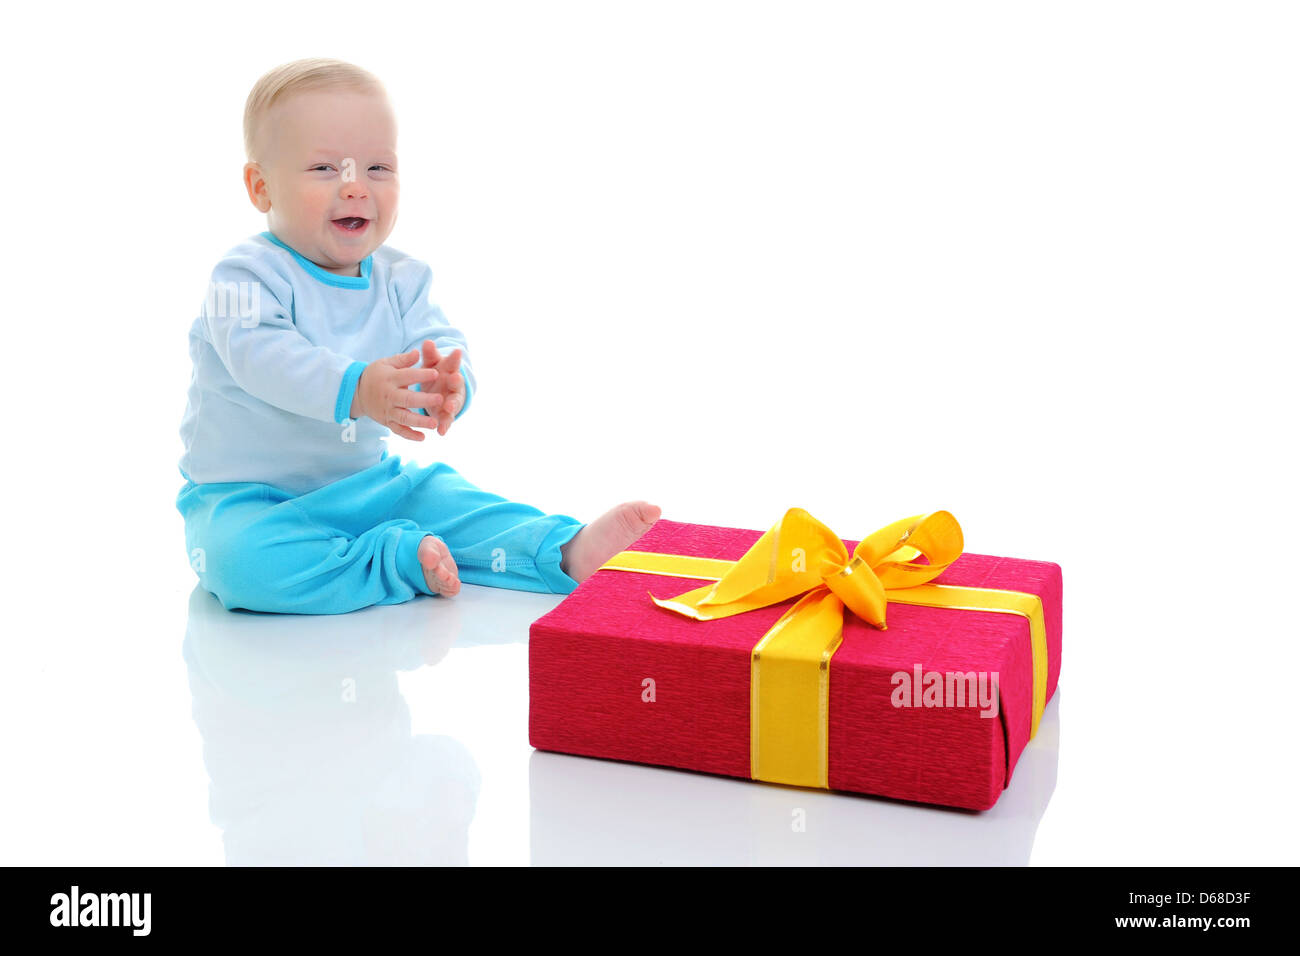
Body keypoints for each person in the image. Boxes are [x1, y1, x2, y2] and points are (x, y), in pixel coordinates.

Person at [176, 58, 659, 614]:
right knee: (240, 563)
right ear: (261, 187)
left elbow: (438, 339)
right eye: (325, 169)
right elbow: (262, 357)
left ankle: (564, 551)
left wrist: (447, 381)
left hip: (370, 485)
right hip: (250, 500)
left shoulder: (401, 278)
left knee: (453, 502)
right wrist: (359, 388)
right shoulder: (244, 276)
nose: (356, 186)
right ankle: (391, 559)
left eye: (378, 167)